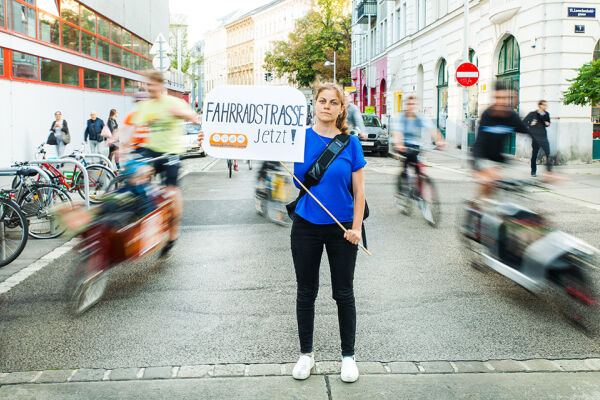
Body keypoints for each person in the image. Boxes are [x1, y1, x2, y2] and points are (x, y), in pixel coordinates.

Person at [290, 82, 366, 383]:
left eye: (333, 102)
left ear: (340, 108)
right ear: (315, 104)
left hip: (342, 228)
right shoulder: (296, 138)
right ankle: (306, 355)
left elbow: (360, 192)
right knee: (306, 292)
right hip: (306, 225)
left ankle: (348, 357)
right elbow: (258, 145)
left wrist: (357, 227)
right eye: (322, 101)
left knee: (343, 293)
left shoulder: (351, 144)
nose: (326, 106)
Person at [129, 70, 199, 258]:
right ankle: (149, 211)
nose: (148, 88)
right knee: (137, 175)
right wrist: (121, 145)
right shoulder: (145, 106)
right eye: (147, 84)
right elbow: (133, 128)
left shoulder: (174, 102)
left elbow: (193, 118)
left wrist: (182, 114)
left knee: (171, 191)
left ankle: (172, 235)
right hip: (152, 149)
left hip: (172, 152)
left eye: (151, 84)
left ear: (161, 85)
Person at [472, 81, 554, 199]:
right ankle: (477, 207)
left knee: (517, 187)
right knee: (488, 185)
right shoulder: (487, 115)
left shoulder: (511, 116)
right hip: (484, 157)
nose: (500, 101)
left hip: (501, 159)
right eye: (497, 98)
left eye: (504, 98)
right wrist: (480, 170)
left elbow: (534, 136)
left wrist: (549, 170)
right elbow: (478, 145)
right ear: (493, 98)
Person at [391, 96, 446, 193]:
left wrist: (439, 140)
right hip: (402, 144)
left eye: (413, 104)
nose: (411, 106)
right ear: (406, 105)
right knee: (410, 159)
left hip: (414, 144)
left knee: (417, 165)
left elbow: (431, 128)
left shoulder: (419, 117)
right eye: (409, 104)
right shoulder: (401, 117)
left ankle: (418, 186)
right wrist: (399, 144)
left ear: (416, 105)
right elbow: (397, 132)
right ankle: (404, 183)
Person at [524, 100, 552, 177]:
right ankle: (533, 171)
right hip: (535, 137)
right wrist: (531, 123)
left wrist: (547, 124)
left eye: (546, 105)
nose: (546, 106)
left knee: (548, 153)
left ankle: (549, 172)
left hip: (543, 136)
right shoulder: (532, 114)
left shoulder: (546, 114)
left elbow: (548, 123)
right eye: (544, 105)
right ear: (540, 105)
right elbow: (524, 122)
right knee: (534, 154)